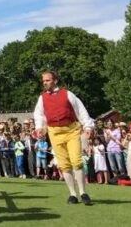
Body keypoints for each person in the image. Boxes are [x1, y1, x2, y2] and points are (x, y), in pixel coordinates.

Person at [33, 70, 95, 206]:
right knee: (64, 164)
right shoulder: (42, 98)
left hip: (72, 130)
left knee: (76, 161)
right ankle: (73, 194)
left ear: (55, 81)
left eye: (47, 80)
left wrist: (88, 126)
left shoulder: (67, 94)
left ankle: (83, 192)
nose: (45, 83)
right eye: (43, 81)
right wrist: (39, 128)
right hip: (54, 133)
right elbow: (39, 115)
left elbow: (81, 110)